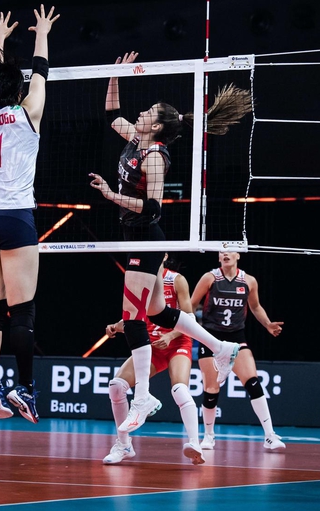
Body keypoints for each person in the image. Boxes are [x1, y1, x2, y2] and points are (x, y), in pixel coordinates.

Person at [88, 51, 253, 433]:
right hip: (134, 236)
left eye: (149, 112)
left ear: (158, 127)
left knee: (132, 319)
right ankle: (222, 347)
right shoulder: (134, 137)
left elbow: (152, 207)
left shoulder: (156, 157)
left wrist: (112, 196)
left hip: (146, 236)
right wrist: (114, 75)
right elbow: (111, 114)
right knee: (159, 314)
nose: (142, 113)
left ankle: (143, 394)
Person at [0, 5, 60, 424]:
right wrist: (41, 32)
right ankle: (24, 387)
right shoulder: (29, 114)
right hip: (15, 217)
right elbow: (40, 72)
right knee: (21, 311)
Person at [102, 254, 205, 465]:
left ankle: (195, 443)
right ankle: (124, 445)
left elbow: (190, 317)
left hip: (177, 343)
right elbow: (135, 315)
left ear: (164, 255)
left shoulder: (176, 280)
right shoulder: (139, 278)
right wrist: (116, 326)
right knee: (116, 386)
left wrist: (170, 336)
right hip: (150, 347)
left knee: (179, 389)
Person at [190, 251, 286, 451]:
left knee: (252, 382)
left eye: (230, 251)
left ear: (238, 255)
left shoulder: (249, 281)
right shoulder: (210, 278)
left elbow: (256, 306)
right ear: (218, 258)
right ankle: (208, 436)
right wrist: (191, 330)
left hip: (236, 338)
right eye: (222, 251)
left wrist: (267, 324)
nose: (225, 254)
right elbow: (190, 306)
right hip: (211, 338)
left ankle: (269, 435)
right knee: (211, 389)